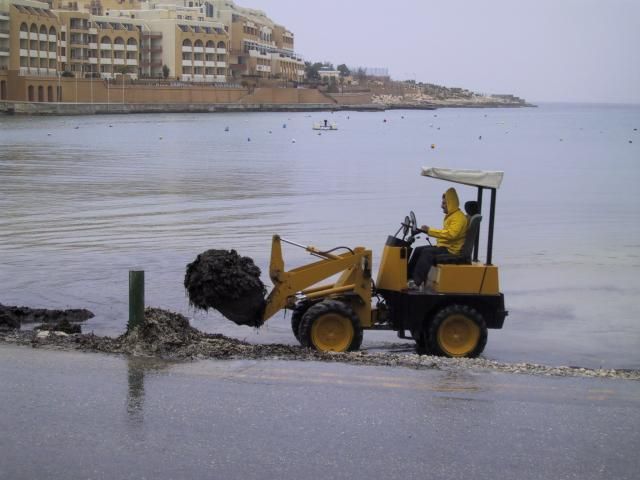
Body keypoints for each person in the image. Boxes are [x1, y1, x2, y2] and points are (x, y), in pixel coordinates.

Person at [408, 187, 468, 288]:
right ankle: (409, 277)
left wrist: (429, 231)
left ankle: (416, 283)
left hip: (451, 250)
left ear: (451, 203)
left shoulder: (458, 218)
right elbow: (446, 233)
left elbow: (451, 234)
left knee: (427, 253)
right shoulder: (453, 216)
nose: (442, 206)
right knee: (418, 250)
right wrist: (426, 230)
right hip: (445, 247)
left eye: (444, 204)